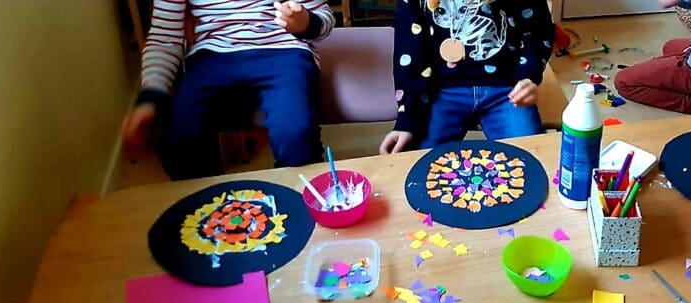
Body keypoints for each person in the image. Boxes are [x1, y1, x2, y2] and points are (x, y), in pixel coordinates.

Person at [120, 0, 335, 180]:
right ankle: (209, 212)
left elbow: (323, 18)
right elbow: (164, 38)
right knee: (181, 141)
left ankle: (302, 203)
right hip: (211, 54)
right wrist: (152, 96)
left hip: (283, 48)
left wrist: (306, 22)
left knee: (295, 136)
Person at [379, 0, 554, 155]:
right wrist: (407, 120)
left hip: (507, 91)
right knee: (417, 162)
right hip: (440, 92)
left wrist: (528, 77)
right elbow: (410, 55)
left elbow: (538, 33)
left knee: (529, 158)